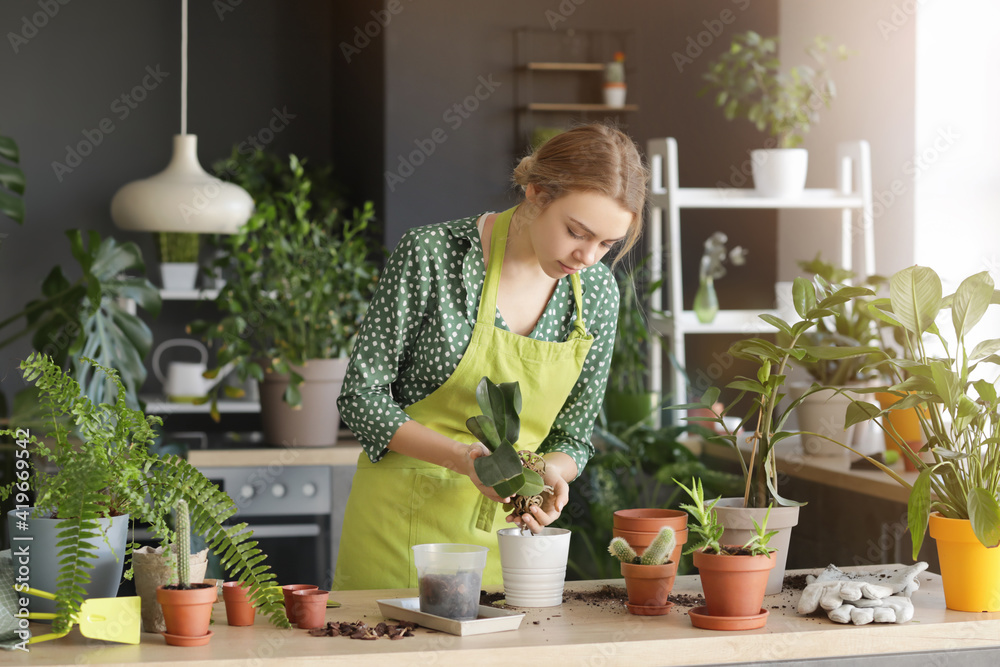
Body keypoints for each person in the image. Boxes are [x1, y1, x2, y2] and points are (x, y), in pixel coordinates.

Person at [332, 123, 649, 591]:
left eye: (606, 244)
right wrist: (464, 459)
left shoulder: (596, 292)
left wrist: (549, 475)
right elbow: (361, 397)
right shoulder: (433, 257)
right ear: (536, 193)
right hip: (399, 536)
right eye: (576, 232)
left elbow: (574, 435)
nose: (587, 256)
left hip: (511, 549)